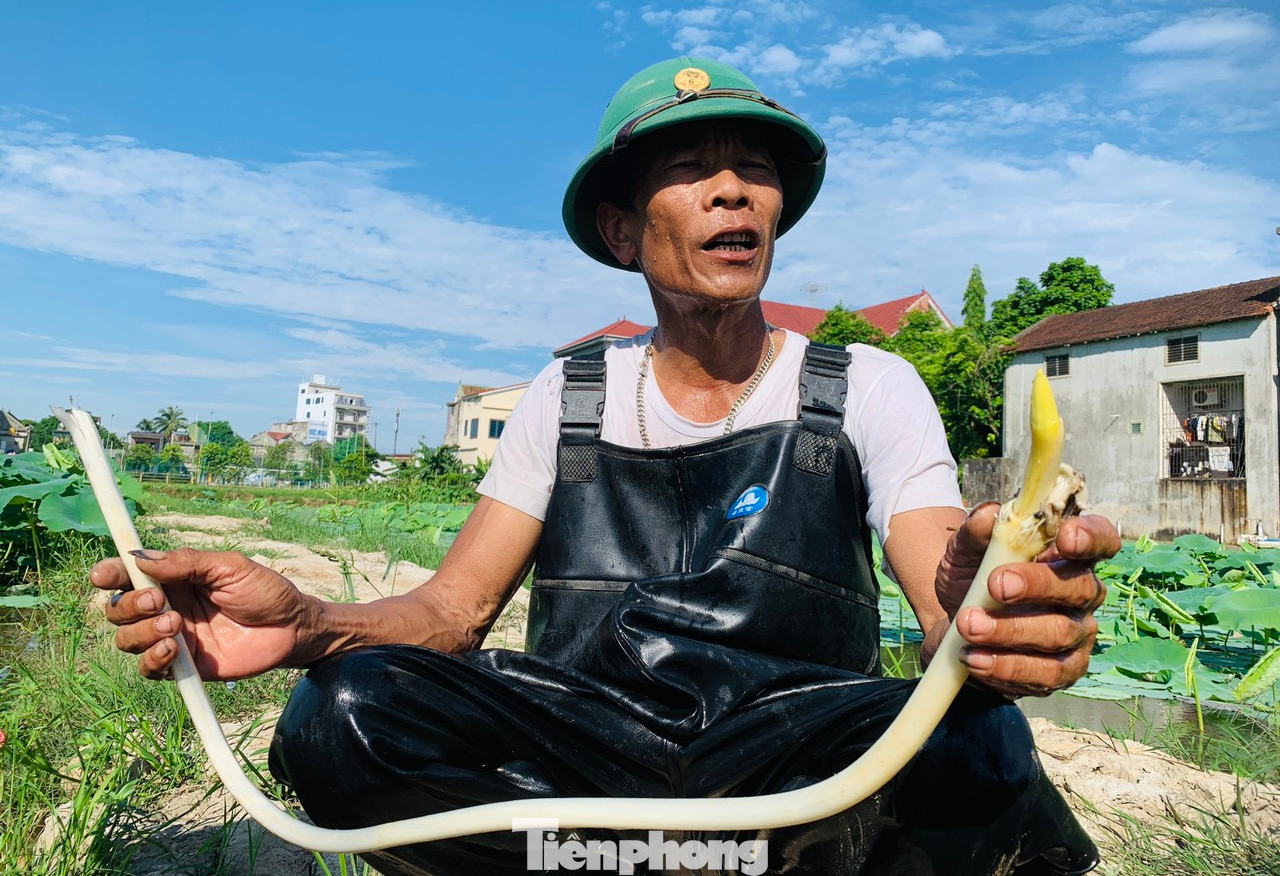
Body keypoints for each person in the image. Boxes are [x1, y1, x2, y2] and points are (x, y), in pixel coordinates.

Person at [92, 57, 1118, 875]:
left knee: (976, 741)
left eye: (752, 168)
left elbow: (945, 589)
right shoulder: (566, 393)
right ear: (624, 230)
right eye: (690, 169)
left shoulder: (868, 385)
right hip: (585, 752)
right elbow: (452, 615)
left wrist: (984, 602)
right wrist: (310, 625)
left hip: (794, 745)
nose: (732, 189)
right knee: (342, 714)